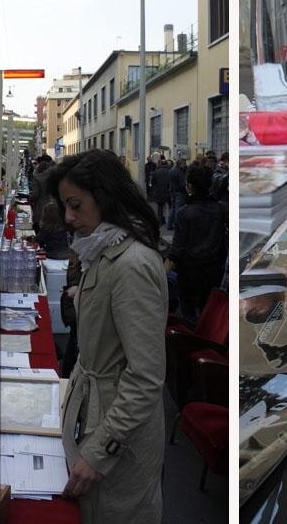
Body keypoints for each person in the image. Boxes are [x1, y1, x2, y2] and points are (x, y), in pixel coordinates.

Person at [47, 150, 167, 523]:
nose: (69, 218)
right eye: (66, 206)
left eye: (76, 205)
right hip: (97, 410)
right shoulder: (104, 250)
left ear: (105, 197)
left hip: (117, 432)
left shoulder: (131, 264)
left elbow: (146, 376)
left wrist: (101, 449)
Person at [167, 163, 227, 321]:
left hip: (189, 275)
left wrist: (162, 272)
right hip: (213, 273)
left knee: (189, 317)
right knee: (209, 314)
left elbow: (177, 250)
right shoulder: (221, 210)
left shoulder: (184, 213)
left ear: (189, 186)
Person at [167, 156, 187, 231]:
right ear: (180, 164)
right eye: (184, 164)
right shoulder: (179, 172)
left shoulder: (172, 170)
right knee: (178, 209)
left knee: (173, 208)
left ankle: (169, 224)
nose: (185, 165)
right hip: (179, 192)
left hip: (172, 191)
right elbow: (182, 184)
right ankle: (177, 225)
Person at [151, 159, 171, 226]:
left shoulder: (156, 172)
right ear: (166, 165)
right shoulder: (169, 172)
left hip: (158, 192)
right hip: (167, 192)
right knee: (168, 207)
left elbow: (152, 183)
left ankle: (160, 221)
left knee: (160, 207)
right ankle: (168, 220)